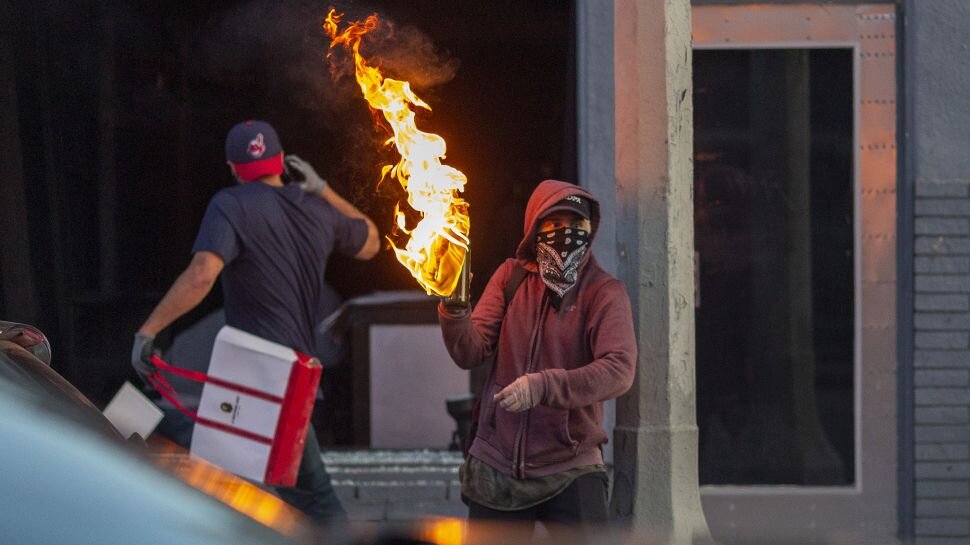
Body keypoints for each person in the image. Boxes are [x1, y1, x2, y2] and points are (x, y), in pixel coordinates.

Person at [131, 119, 380, 525]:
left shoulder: (230, 205)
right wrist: (324, 190)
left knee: (310, 498)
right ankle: (131, 422)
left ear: (233, 167)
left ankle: (127, 423)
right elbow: (371, 241)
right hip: (293, 376)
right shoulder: (318, 209)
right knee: (235, 469)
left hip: (260, 373)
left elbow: (201, 275)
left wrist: (147, 331)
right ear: (282, 161)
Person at [438, 179, 637, 541]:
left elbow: (619, 369)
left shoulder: (604, 292)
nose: (566, 234)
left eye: (576, 226)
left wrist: (543, 386)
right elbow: (470, 352)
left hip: (571, 467)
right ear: (534, 231)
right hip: (496, 465)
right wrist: (454, 307)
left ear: (590, 230)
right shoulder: (509, 277)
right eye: (554, 225)